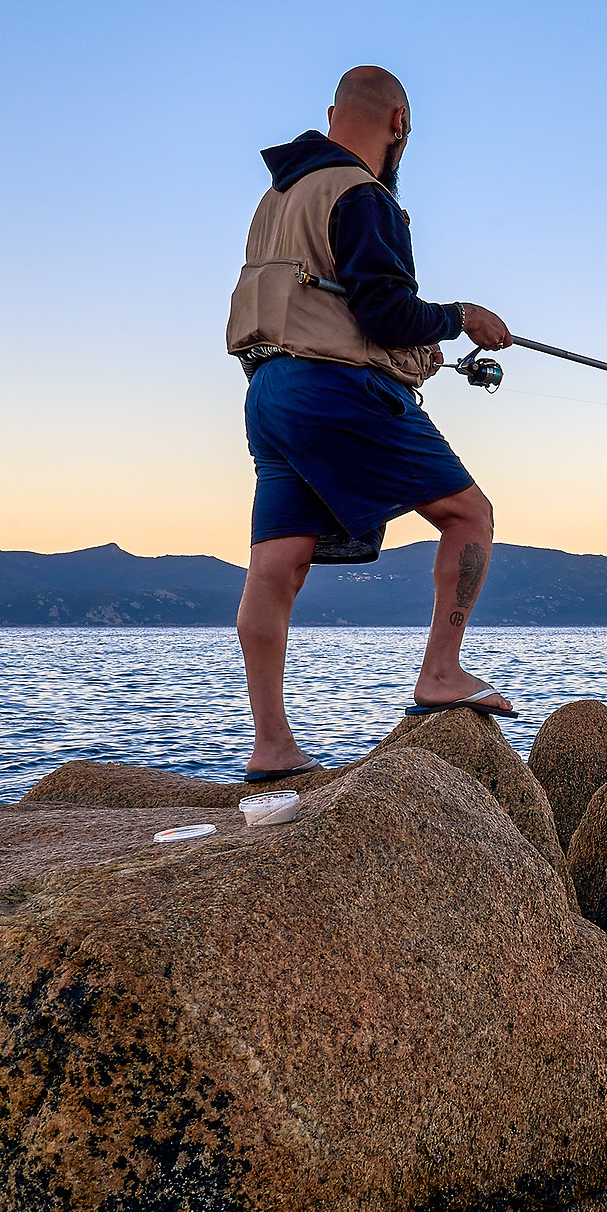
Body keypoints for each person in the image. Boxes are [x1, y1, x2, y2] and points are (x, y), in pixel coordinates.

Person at [224, 65, 515, 782]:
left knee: (276, 566)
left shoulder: (277, 198)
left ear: (331, 114)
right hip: (334, 389)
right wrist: (462, 318)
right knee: (469, 515)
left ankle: (271, 745)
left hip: (268, 393)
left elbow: (326, 300)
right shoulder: (362, 194)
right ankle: (441, 672)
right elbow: (385, 313)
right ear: (398, 125)